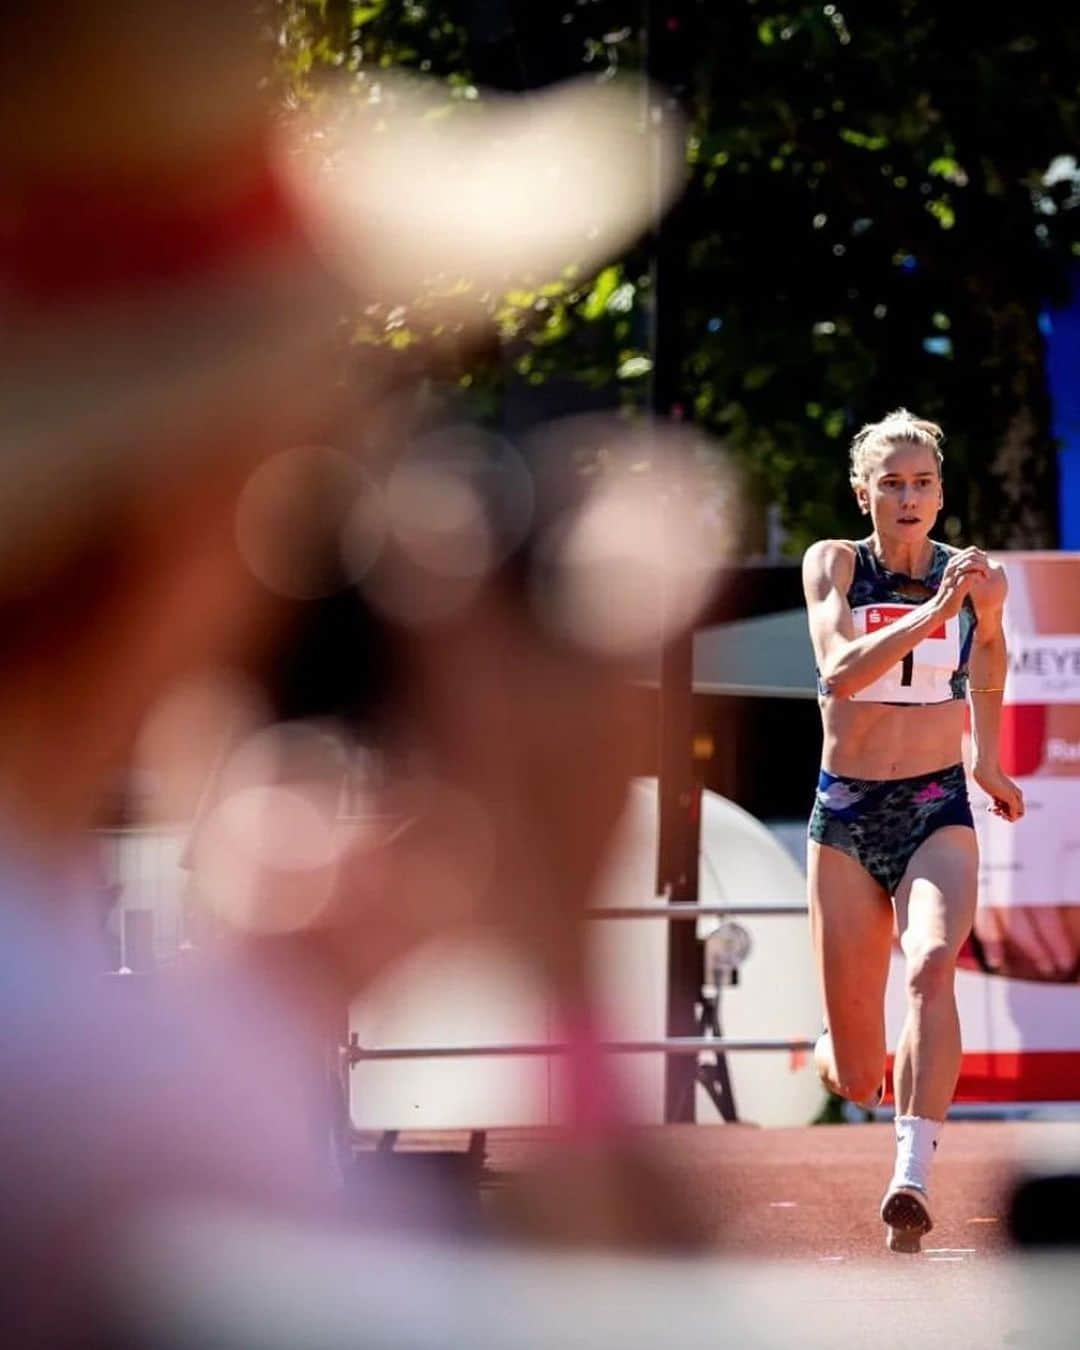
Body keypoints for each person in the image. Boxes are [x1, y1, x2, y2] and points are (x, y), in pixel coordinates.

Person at [801, 408, 1025, 1253]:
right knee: (859, 1073)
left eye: (922, 483)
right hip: (849, 815)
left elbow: (991, 653)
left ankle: (912, 1174)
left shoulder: (973, 575)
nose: (908, 497)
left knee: (934, 961)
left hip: (935, 806)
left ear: (940, 492)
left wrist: (990, 761)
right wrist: (934, 609)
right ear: (863, 493)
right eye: (890, 483)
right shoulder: (833, 563)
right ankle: (833, 1041)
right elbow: (838, 673)